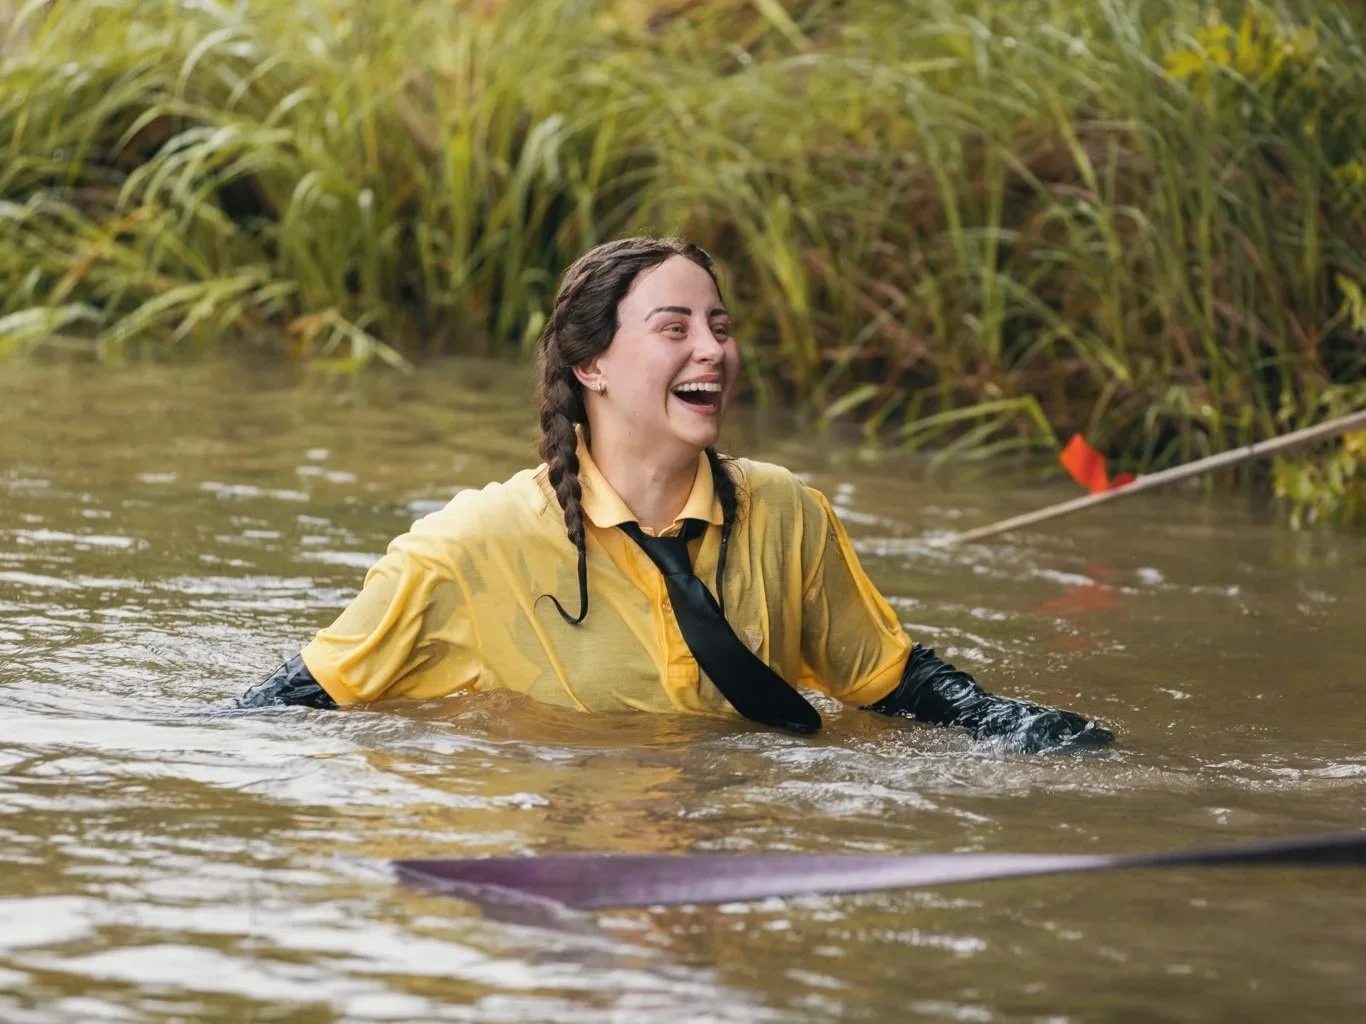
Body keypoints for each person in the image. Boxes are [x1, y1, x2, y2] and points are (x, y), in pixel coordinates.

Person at [237, 237, 1114, 753]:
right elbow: (288, 709)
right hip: (576, 869)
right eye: (675, 328)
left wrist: (1015, 726)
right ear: (590, 365)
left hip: (741, 862)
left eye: (720, 326)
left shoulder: (787, 513)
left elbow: (889, 680)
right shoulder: (466, 546)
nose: (713, 350)